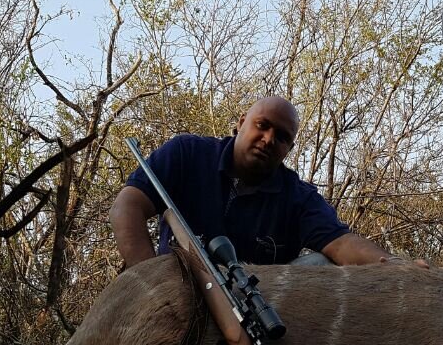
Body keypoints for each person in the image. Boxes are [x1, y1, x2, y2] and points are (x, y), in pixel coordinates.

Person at [112, 96, 423, 268]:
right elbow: (128, 205)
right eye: (262, 126)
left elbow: (340, 243)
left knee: (319, 265)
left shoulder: (298, 197)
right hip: (174, 290)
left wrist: (395, 267)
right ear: (240, 124)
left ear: (289, 148)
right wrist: (148, 278)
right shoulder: (187, 153)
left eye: (282, 137)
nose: (268, 139)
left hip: (254, 306)